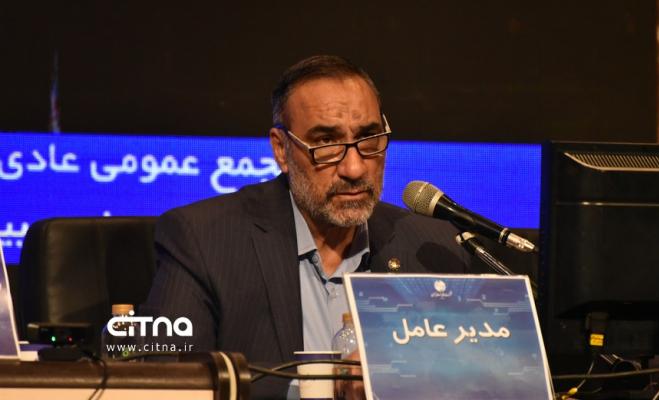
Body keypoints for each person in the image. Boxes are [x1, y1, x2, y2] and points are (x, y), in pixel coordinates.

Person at [142, 55, 472, 398]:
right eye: (327, 142)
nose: (355, 168)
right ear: (281, 149)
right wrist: (317, 387)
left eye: (369, 138)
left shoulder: (433, 249)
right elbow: (165, 382)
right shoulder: (204, 239)